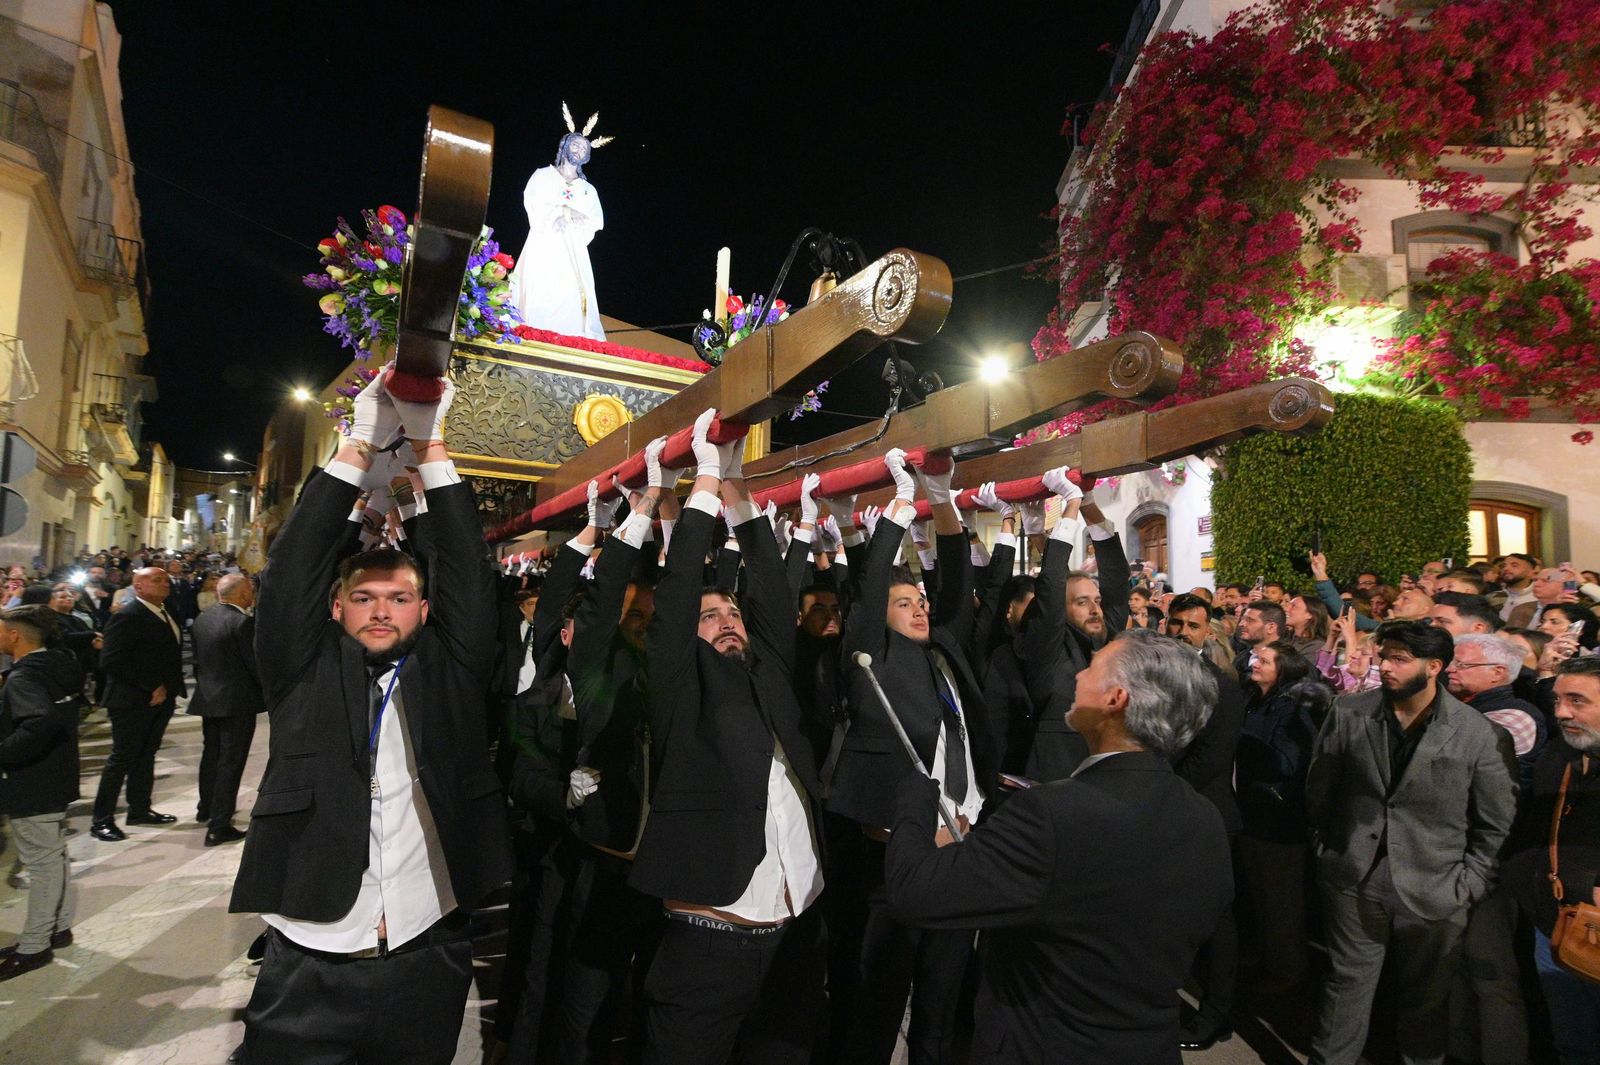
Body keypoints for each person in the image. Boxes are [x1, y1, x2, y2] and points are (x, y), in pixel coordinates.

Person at [232, 369, 513, 1065]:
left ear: (424, 609)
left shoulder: (450, 668)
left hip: (428, 951)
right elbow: (292, 570)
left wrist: (430, 444)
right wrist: (360, 444)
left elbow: (468, 574)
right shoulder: (301, 667)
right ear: (336, 607)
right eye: (364, 597)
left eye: (399, 597)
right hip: (312, 956)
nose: (382, 609)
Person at [883, 627, 1232, 1064]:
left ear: (1115, 699)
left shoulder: (1052, 815)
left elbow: (913, 891)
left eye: (1092, 667)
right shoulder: (1204, 817)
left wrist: (915, 797)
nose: (1077, 676)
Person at [629, 409, 825, 1065]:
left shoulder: (769, 675)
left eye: (732, 612)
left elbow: (771, 590)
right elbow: (678, 588)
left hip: (796, 929)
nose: (728, 620)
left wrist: (739, 489)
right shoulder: (678, 686)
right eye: (710, 616)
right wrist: (706, 483)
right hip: (711, 939)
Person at [828, 448, 996, 1065]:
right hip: (896, 859)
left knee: (939, 1011)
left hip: (962, 851)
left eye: (920, 599)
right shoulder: (871, 657)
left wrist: (941, 496)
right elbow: (871, 587)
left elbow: (956, 581)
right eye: (906, 603)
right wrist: (900, 506)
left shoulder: (945, 652)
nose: (921, 606)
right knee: (876, 1007)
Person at [1304, 620, 1518, 1065]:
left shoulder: (1479, 733)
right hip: (1353, 875)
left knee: (1426, 1002)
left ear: (1434, 666)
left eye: (1400, 659)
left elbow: (1495, 822)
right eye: (1385, 656)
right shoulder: (1350, 712)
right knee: (1345, 988)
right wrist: (1328, 850)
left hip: (1436, 884)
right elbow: (1319, 789)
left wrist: (1469, 883)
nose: (1385, 666)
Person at [1501, 656, 1600, 1065]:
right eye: (1558, 699)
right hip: (1557, 919)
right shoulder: (1561, 752)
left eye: (1577, 701)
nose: (1561, 712)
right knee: (1573, 1041)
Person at [1162, 593, 1247, 1051]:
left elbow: (1211, 760)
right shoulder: (1151, 677)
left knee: (1216, 920)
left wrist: (1154, 790)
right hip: (1162, 813)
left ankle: (1217, 1015)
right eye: (1175, 623)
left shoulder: (1221, 688)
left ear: (1207, 632)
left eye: (1192, 626)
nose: (1181, 632)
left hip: (1204, 816)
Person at [1234, 640, 1329, 996]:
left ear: (1284, 669)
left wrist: (1241, 741)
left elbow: (1287, 763)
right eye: (1255, 657)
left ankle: (1288, 972)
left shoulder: (1293, 707)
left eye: (1264, 660)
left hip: (1279, 819)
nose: (1254, 664)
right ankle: (1265, 958)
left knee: (1280, 903)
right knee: (1258, 896)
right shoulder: (1254, 699)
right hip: (1252, 813)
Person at [0, 606, 81, 981]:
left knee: (42, 863)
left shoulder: (24, 676)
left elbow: (38, 722)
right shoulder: (58, 664)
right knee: (54, 855)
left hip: (32, 780)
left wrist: (4, 752)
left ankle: (34, 946)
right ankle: (57, 929)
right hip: (56, 773)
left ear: (14, 635)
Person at [90, 565, 185, 841]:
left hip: (161, 698)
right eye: (157, 580)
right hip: (131, 699)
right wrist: (150, 685)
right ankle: (102, 819)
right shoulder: (128, 615)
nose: (165, 584)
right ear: (138, 587)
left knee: (146, 754)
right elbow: (111, 660)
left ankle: (140, 809)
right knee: (122, 758)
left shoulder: (165, 611)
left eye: (166, 580)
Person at [509, 107, 610, 340]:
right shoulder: (543, 175)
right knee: (539, 289)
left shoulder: (587, 190)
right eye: (576, 145)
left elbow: (594, 221)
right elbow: (533, 204)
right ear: (565, 146)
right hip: (544, 242)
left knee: (570, 296)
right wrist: (564, 211)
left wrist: (573, 218)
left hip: (572, 250)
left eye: (584, 148)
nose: (579, 150)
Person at [187, 573, 263, 846]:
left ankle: (206, 808)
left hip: (209, 699)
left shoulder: (203, 619)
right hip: (236, 703)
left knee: (211, 757)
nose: (252, 595)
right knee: (231, 762)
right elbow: (254, 664)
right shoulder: (242, 623)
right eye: (250, 590)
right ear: (243, 594)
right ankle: (219, 824)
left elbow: (198, 661)